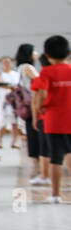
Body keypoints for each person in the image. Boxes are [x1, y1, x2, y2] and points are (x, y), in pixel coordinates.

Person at [30, 34, 70, 204]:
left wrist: (38, 110)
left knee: (56, 158)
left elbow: (42, 93)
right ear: (68, 52)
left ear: (47, 55)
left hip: (54, 121)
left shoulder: (46, 72)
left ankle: (55, 195)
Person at [13, 43, 44, 181]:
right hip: (34, 103)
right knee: (37, 135)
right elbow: (40, 83)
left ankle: (35, 166)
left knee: (31, 135)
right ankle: (38, 168)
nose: (36, 54)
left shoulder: (19, 68)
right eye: (34, 51)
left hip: (25, 105)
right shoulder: (28, 67)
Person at [0, 56, 21, 149]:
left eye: (8, 62)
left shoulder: (16, 74)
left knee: (14, 121)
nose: (7, 64)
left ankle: (14, 141)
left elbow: (19, 85)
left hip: (14, 100)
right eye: (4, 62)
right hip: (3, 99)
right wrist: (10, 86)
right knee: (1, 120)